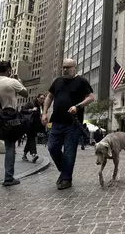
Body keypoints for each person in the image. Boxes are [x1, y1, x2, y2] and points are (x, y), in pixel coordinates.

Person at [42, 58, 94, 190]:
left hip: (73, 124)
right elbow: (49, 97)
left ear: (74, 68)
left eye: (68, 67)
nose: (65, 69)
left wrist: (78, 106)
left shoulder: (81, 81)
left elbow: (91, 97)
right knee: (52, 147)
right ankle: (65, 172)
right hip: (57, 122)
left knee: (69, 153)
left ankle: (66, 179)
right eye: (64, 67)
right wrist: (44, 112)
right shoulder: (58, 81)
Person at [21, 93, 44, 163]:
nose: (42, 100)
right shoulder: (31, 104)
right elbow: (22, 110)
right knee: (32, 138)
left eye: (43, 99)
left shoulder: (41, 106)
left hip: (35, 126)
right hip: (29, 124)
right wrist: (31, 110)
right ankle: (34, 154)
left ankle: (24, 155)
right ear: (37, 98)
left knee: (30, 140)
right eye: (41, 98)